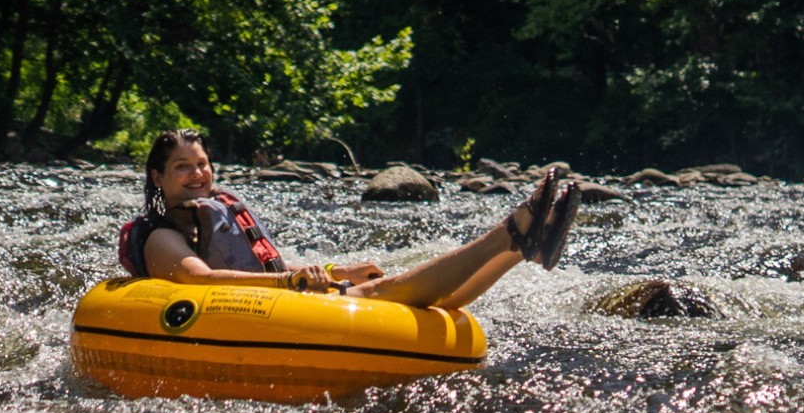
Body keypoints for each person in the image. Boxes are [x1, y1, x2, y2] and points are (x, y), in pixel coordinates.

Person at [121, 129, 580, 311]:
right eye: (183, 167)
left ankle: (519, 249)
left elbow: (267, 267)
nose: (198, 174)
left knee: (435, 300)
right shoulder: (160, 236)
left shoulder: (218, 209)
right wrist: (294, 284)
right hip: (253, 308)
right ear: (158, 177)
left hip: (276, 299)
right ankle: (510, 232)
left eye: (202, 164)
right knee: (384, 292)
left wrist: (333, 272)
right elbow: (200, 281)